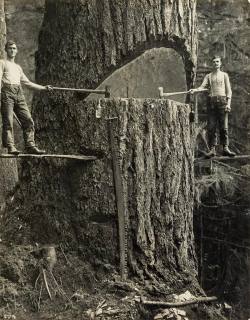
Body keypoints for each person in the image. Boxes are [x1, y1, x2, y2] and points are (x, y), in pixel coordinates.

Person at [0, 40, 53, 155]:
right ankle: (10, 146)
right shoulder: (2, 63)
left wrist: (43, 88)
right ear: (6, 50)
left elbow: (27, 83)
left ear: (17, 51)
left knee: (28, 119)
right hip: (6, 93)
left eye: (14, 48)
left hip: (19, 93)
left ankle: (30, 145)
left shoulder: (18, 68)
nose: (12, 50)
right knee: (8, 121)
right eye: (10, 48)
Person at [190, 55, 235, 157]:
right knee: (211, 127)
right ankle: (212, 150)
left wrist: (228, 104)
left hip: (223, 102)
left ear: (220, 63)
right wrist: (195, 90)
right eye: (214, 62)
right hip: (212, 103)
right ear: (212, 63)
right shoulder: (209, 76)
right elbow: (202, 87)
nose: (216, 63)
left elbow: (229, 91)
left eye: (217, 62)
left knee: (223, 127)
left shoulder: (224, 75)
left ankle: (225, 148)